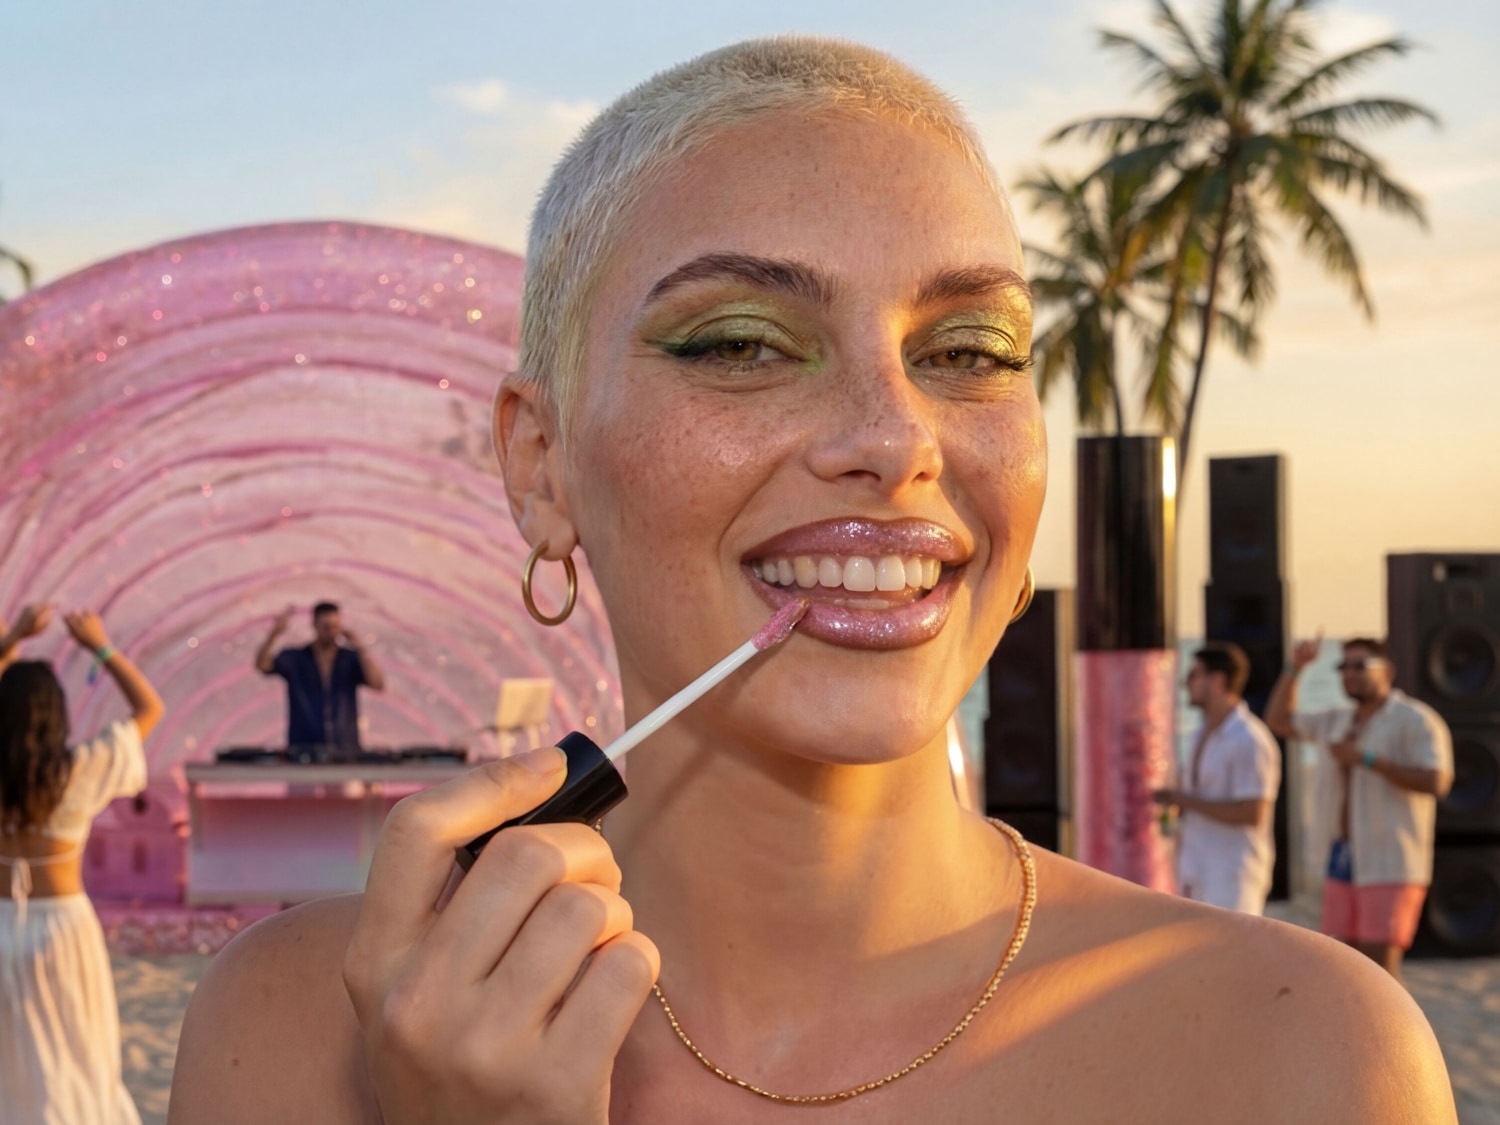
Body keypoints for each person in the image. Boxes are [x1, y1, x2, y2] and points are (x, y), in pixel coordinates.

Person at [170, 39, 1456, 1123]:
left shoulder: (1307, 1057)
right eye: (742, 343)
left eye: (968, 348)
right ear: (542, 462)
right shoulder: (290, 1036)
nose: (897, 440)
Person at [1, 604, 165, 1125]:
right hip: (63, 926)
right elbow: (148, 710)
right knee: (78, 1050)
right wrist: (100, 645)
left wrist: (13, 638)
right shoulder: (81, 769)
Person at [1267, 636, 1453, 982]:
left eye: (1360, 665)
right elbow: (1279, 720)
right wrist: (1295, 670)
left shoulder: (1415, 721)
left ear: (1388, 671)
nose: (1349, 673)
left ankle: (1389, 1037)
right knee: (1343, 963)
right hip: (1341, 856)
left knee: (1381, 973)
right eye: (1343, 666)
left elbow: (1437, 782)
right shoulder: (1335, 719)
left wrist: (1368, 760)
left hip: (1390, 860)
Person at [1153, 642, 1280, 914]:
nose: (1187, 683)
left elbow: (1253, 812)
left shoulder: (1250, 739)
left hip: (1232, 874)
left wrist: (1183, 799)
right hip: (1194, 868)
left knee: (1234, 955)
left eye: (1194, 675)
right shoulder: (1199, 733)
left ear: (1218, 681)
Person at [254, 602, 385, 753]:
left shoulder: (350, 659)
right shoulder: (297, 657)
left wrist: (360, 648)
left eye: (335, 626)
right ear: (315, 625)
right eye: (326, 626)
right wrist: (274, 634)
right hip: (304, 746)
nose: (331, 632)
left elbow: (377, 683)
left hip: (345, 747)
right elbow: (263, 666)